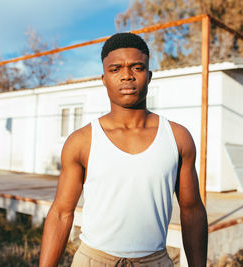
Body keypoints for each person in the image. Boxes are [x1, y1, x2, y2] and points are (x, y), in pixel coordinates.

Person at [39, 32, 208, 267]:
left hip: (154, 261)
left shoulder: (177, 137)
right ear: (104, 78)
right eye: (115, 69)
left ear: (148, 76)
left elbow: (192, 211)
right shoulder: (82, 141)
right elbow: (61, 213)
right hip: (93, 261)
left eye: (136, 68)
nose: (126, 76)